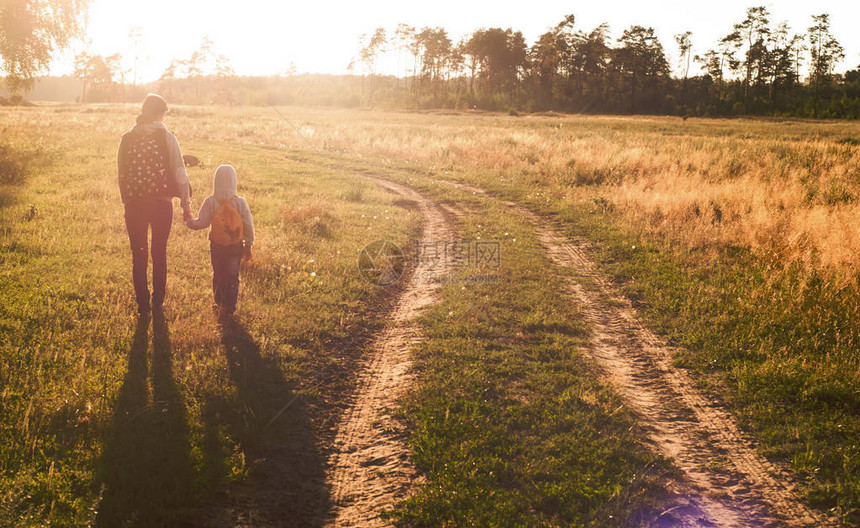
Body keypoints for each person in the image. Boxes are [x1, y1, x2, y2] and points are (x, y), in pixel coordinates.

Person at [117, 94, 192, 316]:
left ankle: (143, 306)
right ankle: (158, 303)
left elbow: (121, 174)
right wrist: (185, 204)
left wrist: (128, 201)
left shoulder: (127, 138)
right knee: (159, 252)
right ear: (160, 113)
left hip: (135, 204)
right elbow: (180, 171)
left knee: (138, 254)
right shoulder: (167, 137)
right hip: (161, 204)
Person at [185, 164, 255, 318]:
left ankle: (219, 303)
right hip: (235, 247)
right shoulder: (240, 202)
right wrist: (248, 245)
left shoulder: (210, 201)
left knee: (218, 274)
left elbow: (201, 223)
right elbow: (248, 225)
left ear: (215, 181)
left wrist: (189, 220)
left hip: (216, 246)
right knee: (232, 275)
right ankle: (230, 307)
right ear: (234, 181)